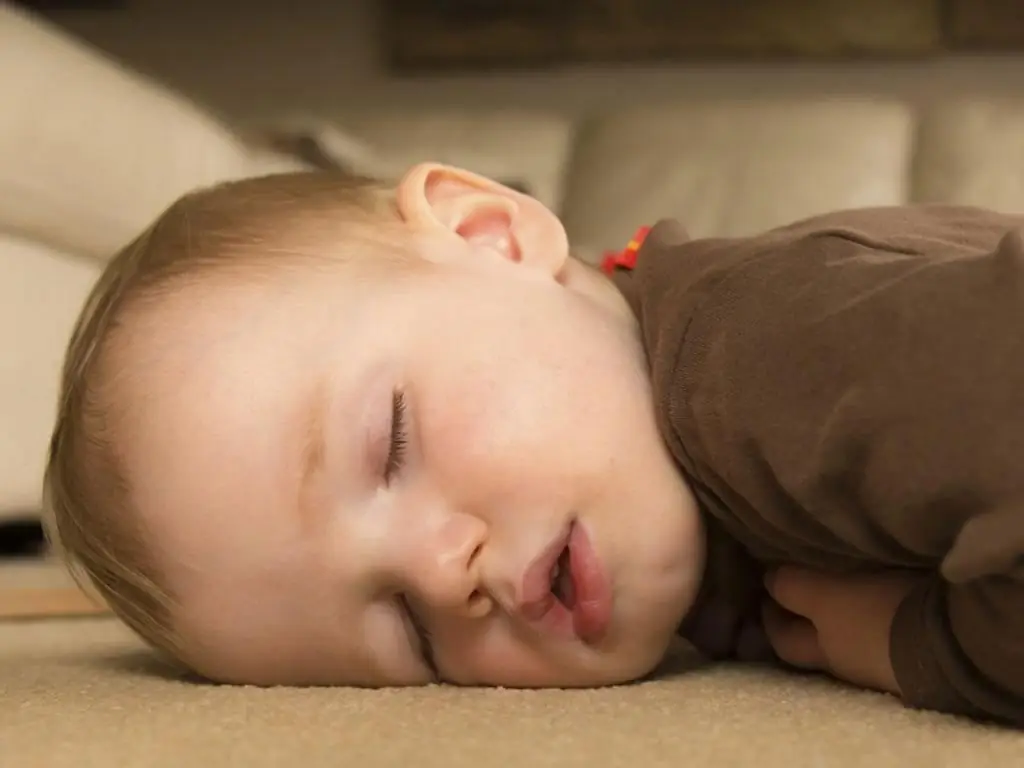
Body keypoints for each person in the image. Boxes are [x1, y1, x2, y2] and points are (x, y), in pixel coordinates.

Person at [43, 165, 1024, 725]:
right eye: (408, 637)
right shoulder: (655, 475)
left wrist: (926, 647)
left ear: (493, 238)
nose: (441, 575)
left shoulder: (771, 368)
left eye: (389, 445)